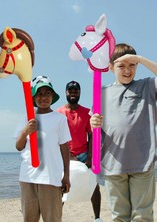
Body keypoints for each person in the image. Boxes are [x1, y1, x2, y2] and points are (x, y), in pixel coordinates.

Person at [90, 43, 157, 221]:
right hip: (113, 164)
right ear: (111, 67)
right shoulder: (101, 92)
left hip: (143, 163)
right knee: (119, 216)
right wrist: (93, 123)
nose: (127, 70)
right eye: (121, 66)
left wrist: (140, 59)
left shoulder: (147, 86)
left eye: (132, 65)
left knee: (142, 216)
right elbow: (95, 125)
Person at [14, 75, 71, 222]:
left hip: (51, 177)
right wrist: (26, 131)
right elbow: (19, 146)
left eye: (47, 93)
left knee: (52, 218)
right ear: (33, 97)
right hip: (28, 177)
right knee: (29, 218)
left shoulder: (59, 119)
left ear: (52, 96)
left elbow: (64, 148)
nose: (43, 97)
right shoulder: (27, 117)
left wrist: (66, 175)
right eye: (39, 93)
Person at [56, 80, 103, 222]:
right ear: (66, 92)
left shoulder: (87, 112)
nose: (73, 93)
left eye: (76, 91)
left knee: (94, 186)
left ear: (79, 93)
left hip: (83, 156)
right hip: (64, 156)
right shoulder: (58, 113)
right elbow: (56, 138)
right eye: (70, 91)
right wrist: (67, 155)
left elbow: (92, 135)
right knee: (61, 189)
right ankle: (56, 218)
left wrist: (90, 157)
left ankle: (97, 218)